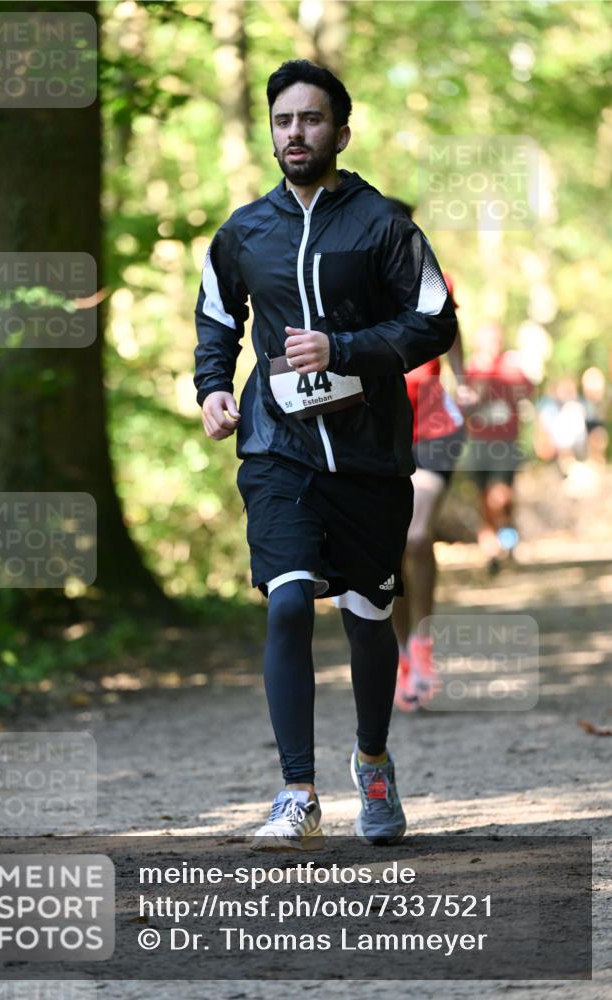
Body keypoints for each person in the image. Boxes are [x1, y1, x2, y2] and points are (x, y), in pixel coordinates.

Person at [194, 60, 456, 849]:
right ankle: (296, 791)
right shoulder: (244, 230)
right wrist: (212, 387)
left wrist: (343, 348)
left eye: (310, 119)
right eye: (283, 120)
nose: (295, 133)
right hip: (277, 447)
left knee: (367, 618)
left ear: (341, 133)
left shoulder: (382, 226)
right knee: (285, 598)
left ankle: (372, 761)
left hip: (369, 456)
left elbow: (434, 322)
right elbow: (218, 316)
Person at [390, 265, 475, 711]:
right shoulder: (351, 267)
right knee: (388, 548)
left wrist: (462, 377)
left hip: (433, 423)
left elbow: (450, 323)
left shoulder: (426, 272)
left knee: (416, 536)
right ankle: (402, 653)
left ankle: (422, 644)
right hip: (378, 427)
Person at [463, 322, 534, 574]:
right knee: (484, 499)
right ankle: (492, 551)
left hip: (505, 443)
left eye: (496, 339)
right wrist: (478, 393)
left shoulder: (511, 366)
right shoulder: (472, 369)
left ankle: (507, 538)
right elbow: (462, 405)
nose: (493, 344)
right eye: (488, 339)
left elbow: (528, 391)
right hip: (479, 442)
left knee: (500, 495)